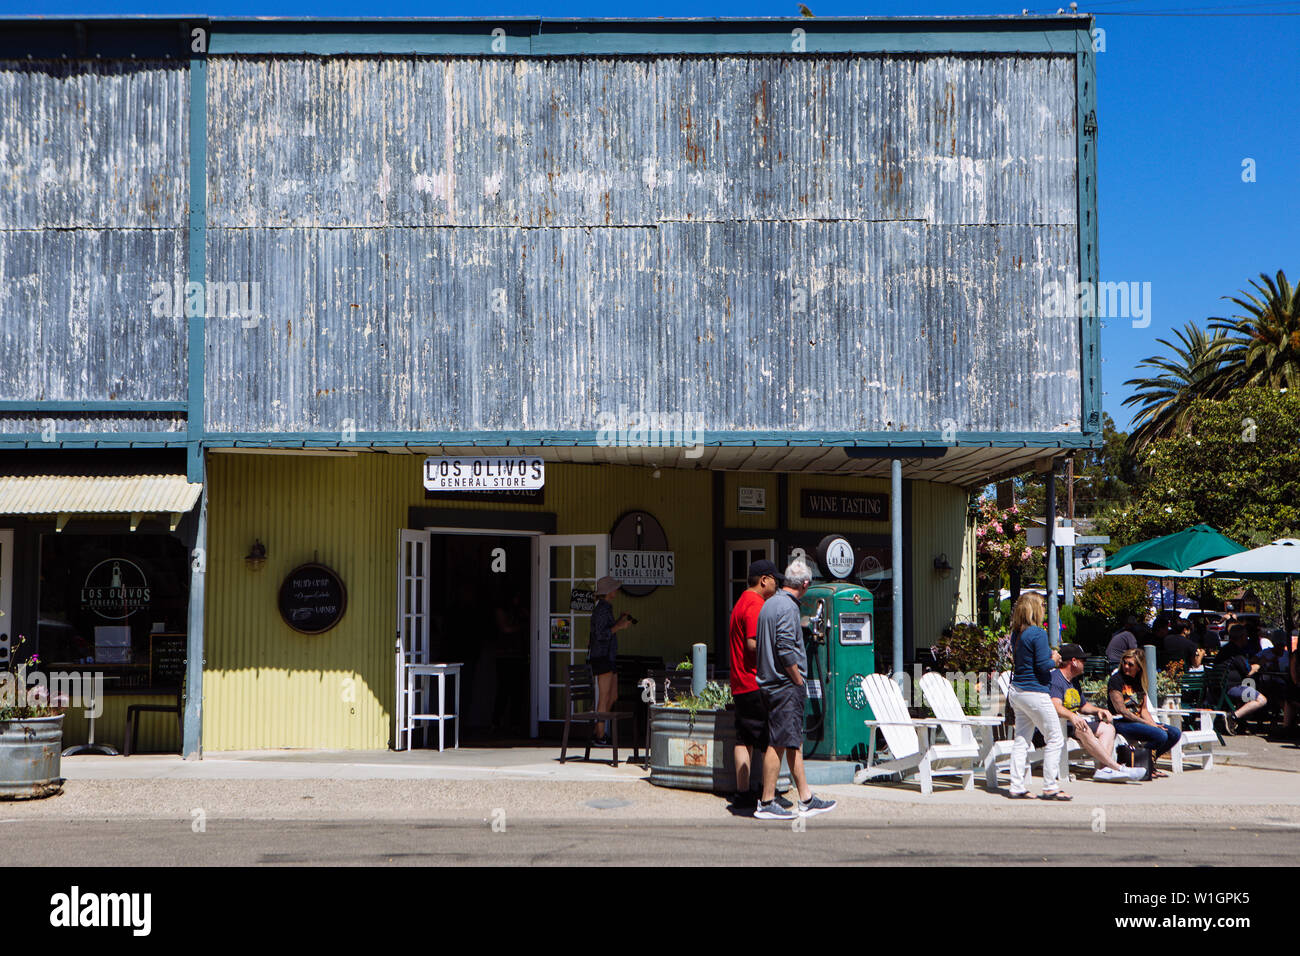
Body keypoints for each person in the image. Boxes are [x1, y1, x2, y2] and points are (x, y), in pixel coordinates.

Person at [753, 558, 836, 820]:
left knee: (792, 742)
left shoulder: (769, 604)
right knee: (778, 743)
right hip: (785, 685)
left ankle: (806, 798)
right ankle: (766, 802)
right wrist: (798, 680)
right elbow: (785, 649)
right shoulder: (788, 608)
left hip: (769, 682)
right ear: (806, 584)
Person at [727, 560, 789, 810]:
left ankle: (743, 794)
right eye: (775, 579)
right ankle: (768, 796)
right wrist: (779, 652)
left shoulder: (740, 601)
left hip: (740, 683)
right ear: (764, 580)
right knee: (770, 741)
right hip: (756, 681)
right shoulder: (755, 604)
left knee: (743, 739)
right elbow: (753, 643)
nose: (777, 584)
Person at [1006, 591, 1069, 800]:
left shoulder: (1017, 633)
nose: (1044, 608)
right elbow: (1043, 666)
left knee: (1022, 739)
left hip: (1018, 692)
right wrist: (1056, 659)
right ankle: (1050, 786)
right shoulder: (1038, 633)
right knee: (1055, 738)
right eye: (1042, 604)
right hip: (1035, 692)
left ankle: (1016, 786)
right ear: (1034, 608)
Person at [1050, 644, 1144, 782]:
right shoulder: (1056, 679)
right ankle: (1116, 768)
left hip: (1073, 723)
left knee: (1108, 728)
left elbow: (1083, 706)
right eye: (1083, 661)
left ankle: (1103, 770)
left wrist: (1099, 710)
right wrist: (1072, 716)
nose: (1085, 664)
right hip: (1059, 724)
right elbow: (1055, 706)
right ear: (1074, 661)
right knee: (1084, 727)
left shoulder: (1073, 681)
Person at [1107, 649, 1181, 775]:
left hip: (1138, 722)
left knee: (1174, 733)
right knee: (1160, 735)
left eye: (1130, 664)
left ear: (1139, 667)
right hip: (1122, 722)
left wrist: (1153, 723)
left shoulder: (1139, 682)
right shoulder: (1116, 680)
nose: (1126, 666)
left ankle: (1147, 762)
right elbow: (1122, 711)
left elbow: (1144, 710)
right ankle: (1140, 761)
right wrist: (1148, 724)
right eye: (1125, 663)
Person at [587, 575, 634, 744]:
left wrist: (619, 621)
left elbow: (607, 629)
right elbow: (601, 635)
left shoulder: (606, 607)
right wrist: (619, 626)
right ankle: (599, 735)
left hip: (608, 657)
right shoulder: (601, 609)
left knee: (613, 695)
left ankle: (597, 730)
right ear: (608, 592)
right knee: (605, 696)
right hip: (602, 658)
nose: (616, 590)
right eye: (614, 588)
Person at [1211, 625, 1268, 735]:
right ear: (1241, 637)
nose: (1247, 639)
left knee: (1249, 688)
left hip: (1219, 688)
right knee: (1261, 700)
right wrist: (1260, 664)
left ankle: (1241, 723)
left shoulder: (1225, 649)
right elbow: (1248, 671)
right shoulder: (1236, 652)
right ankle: (1233, 717)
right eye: (1246, 636)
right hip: (1231, 688)